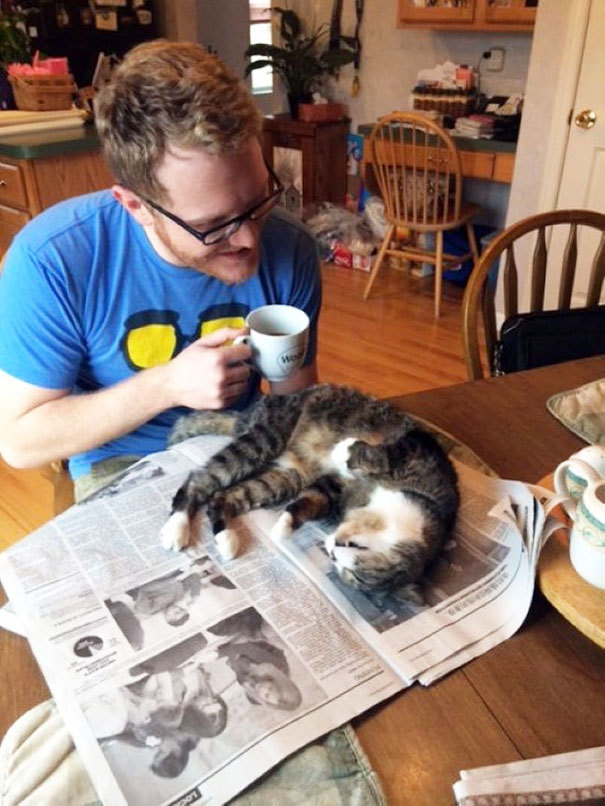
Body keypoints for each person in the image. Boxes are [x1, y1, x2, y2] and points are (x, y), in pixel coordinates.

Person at [0, 40, 321, 500]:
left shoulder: (291, 248)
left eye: (259, 202)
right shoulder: (53, 260)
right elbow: (20, 440)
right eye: (213, 226)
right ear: (136, 206)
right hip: (122, 463)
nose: (250, 240)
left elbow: (294, 403)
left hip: (241, 447)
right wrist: (167, 385)